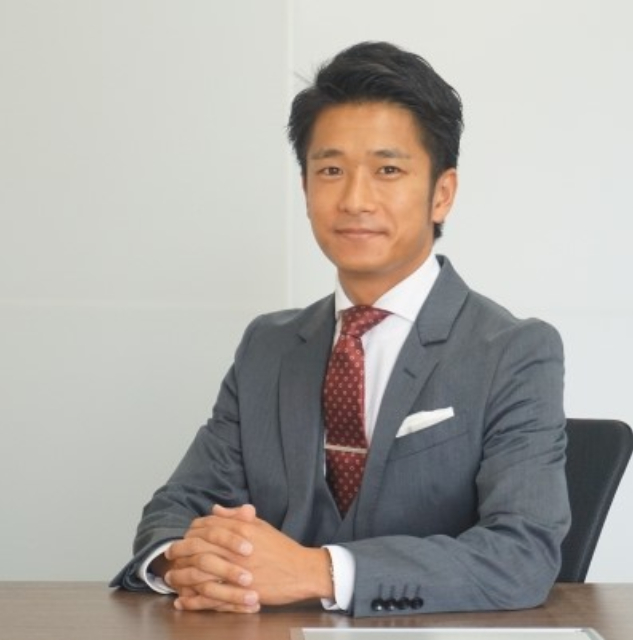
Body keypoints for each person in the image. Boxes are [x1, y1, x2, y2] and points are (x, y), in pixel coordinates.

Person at [112, 41, 570, 618]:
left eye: (388, 170)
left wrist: (317, 570)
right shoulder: (268, 346)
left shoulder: (514, 351)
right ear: (306, 190)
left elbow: (521, 555)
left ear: (442, 193)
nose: (354, 199)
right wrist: (185, 562)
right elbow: (180, 506)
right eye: (330, 170)